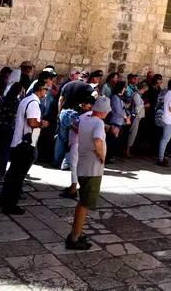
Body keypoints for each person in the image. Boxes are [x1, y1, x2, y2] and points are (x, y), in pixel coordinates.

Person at [0, 80, 49, 214]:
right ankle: (10, 205)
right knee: (18, 176)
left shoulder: (26, 100)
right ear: (40, 89)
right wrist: (42, 123)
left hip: (18, 142)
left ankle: (4, 200)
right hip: (24, 144)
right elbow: (32, 122)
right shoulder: (33, 103)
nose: (46, 92)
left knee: (12, 174)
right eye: (46, 89)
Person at [67, 94, 106, 250]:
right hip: (92, 169)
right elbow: (97, 140)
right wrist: (101, 155)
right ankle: (74, 238)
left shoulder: (84, 119)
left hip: (83, 166)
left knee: (82, 201)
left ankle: (76, 232)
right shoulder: (99, 123)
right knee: (84, 204)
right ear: (103, 111)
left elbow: (76, 127)